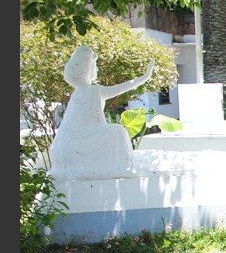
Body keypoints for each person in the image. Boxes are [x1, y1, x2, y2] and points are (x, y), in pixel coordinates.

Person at [49, 45, 154, 180]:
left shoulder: (78, 92)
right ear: (88, 69)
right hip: (85, 136)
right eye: (95, 65)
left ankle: (117, 167)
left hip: (73, 139)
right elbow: (122, 88)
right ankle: (121, 167)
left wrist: (143, 78)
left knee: (115, 130)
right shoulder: (94, 90)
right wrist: (144, 77)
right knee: (117, 131)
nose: (97, 69)